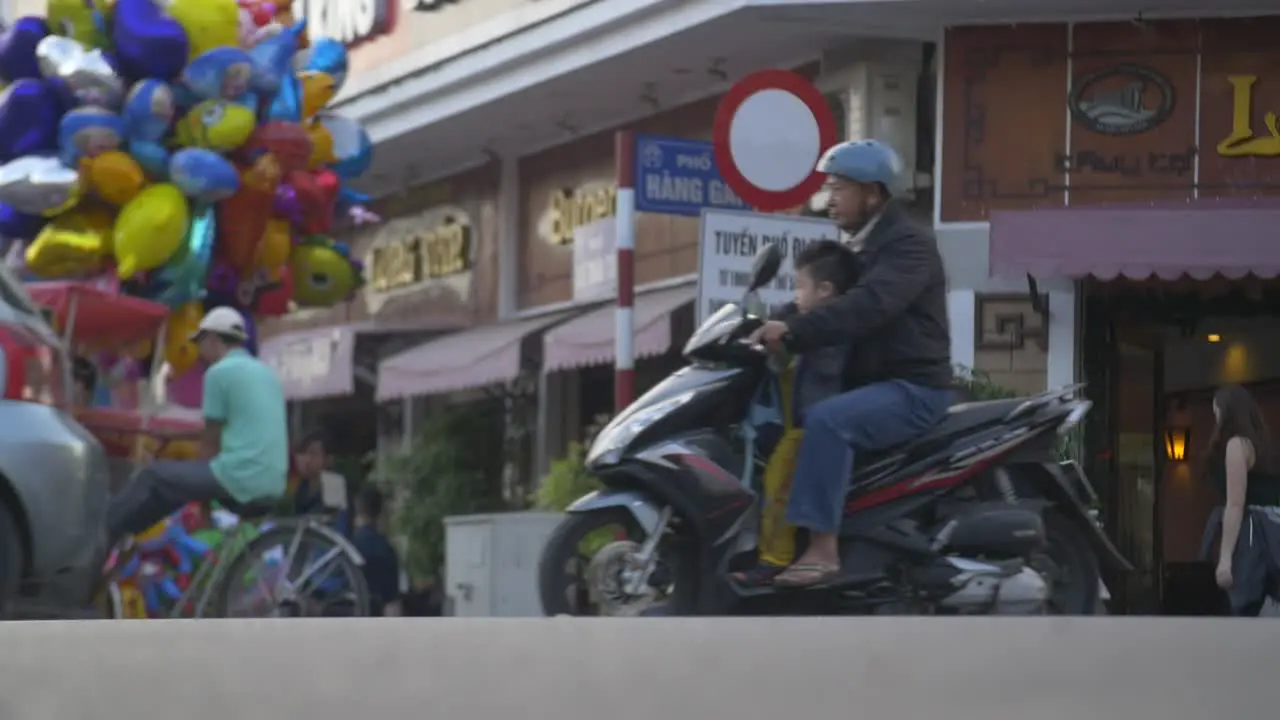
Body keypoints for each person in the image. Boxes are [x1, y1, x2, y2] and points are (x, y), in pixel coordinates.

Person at [748, 139, 953, 589]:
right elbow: (823, 298)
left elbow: (868, 305)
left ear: (874, 193)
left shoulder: (906, 247)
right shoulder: (861, 249)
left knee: (828, 421)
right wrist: (766, 324)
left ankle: (823, 551)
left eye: (839, 188)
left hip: (913, 387)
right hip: (875, 385)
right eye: (828, 188)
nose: (829, 200)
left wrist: (796, 333)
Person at [733, 240, 862, 586]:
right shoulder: (802, 317)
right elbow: (781, 318)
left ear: (825, 290)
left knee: (779, 477)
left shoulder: (832, 328)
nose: (796, 294)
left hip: (813, 427)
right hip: (795, 421)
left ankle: (774, 559)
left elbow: (804, 337)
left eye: (801, 286)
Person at [105, 307, 289, 544]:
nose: (198, 351)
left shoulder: (219, 373)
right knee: (171, 486)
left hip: (239, 477)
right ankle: (129, 535)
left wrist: (203, 506)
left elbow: (210, 443)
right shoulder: (265, 373)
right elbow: (224, 429)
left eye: (200, 342)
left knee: (152, 475)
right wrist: (177, 435)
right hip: (272, 482)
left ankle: (102, 533)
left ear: (213, 339)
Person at [1196, 384, 1280, 616]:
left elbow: (1235, 503)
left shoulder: (1236, 445)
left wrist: (1225, 559)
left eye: (1216, 413)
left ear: (1225, 412)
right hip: (1273, 533)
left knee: (1242, 609)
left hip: (1251, 537)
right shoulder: (1264, 447)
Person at [350, 484, 402, 617]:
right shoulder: (386, 549)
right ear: (380, 513)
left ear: (357, 510)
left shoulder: (346, 547)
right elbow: (392, 604)